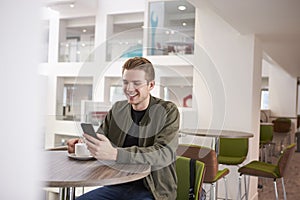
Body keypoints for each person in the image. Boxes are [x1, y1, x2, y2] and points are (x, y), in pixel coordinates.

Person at [67, 57, 180, 200]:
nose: (129, 88)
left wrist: (115, 154)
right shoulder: (118, 109)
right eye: (125, 82)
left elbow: (164, 154)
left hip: (152, 191)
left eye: (136, 83)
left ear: (151, 85)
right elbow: (102, 141)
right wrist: (84, 145)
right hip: (116, 184)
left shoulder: (168, 110)